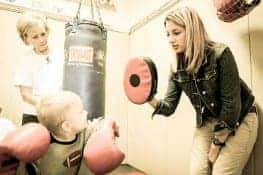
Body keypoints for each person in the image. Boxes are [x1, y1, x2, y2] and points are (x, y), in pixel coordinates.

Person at [148, 7, 258, 175]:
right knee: (197, 172)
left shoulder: (221, 54)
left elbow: (231, 107)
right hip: (208, 120)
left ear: (192, 30)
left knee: (221, 172)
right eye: (168, 34)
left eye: (176, 33)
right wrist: (148, 97)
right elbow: (169, 106)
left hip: (240, 116)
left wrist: (216, 145)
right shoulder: (177, 67)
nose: (171, 40)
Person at [14, 90, 124, 175]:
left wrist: (109, 125)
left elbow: (98, 123)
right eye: (81, 112)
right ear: (67, 126)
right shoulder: (44, 149)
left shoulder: (84, 131)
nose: (86, 112)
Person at [14, 12, 64, 125]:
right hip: (33, 115)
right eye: (35, 37)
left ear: (47, 31)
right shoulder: (26, 60)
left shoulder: (60, 55)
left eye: (43, 34)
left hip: (57, 116)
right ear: (26, 39)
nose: (41, 39)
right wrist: (46, 106)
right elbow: (25, 94)